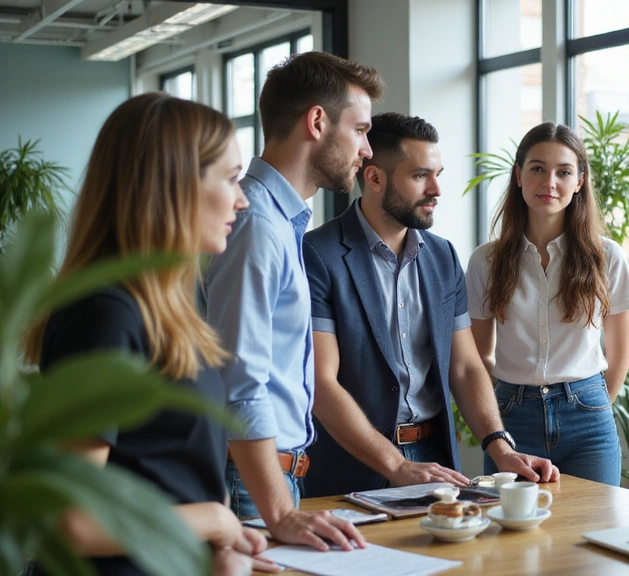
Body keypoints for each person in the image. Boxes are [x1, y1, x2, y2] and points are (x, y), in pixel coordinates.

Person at [23, 93, 271, 574]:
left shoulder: (161, 308)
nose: (242, 199)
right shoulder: (103, 315)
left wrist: (217, 548)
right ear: (174, 186)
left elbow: (165, 472)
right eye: (231, 179)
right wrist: (217, 522)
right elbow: (71, 520)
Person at [302, 113, 558, 497]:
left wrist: (501, 447)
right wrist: (397, 465)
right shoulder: (318, 255)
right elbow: (321, 383)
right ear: (374, 178)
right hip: (350, 465)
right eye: (421, 175)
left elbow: (467, 366)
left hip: (434, 459)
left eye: (438, 173)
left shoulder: (443, 257)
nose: (437, 189)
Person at [198, 51, 382, 551]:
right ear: (317, 121)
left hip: (270, 482)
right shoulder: (257, 224)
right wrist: (278, 510)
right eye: (361, 130)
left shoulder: (280, 222)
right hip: (252, 487)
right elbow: (241, 383)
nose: (367, 150)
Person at [466, 122, 629, 486]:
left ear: (579, 181)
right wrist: (497, 418)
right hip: (512, 417)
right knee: (512, 536)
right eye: (538, 169)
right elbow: (480, 357)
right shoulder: (485, 261)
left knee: (593, 533)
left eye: (564, 172)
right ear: (518, 176)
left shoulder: (607, 256)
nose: (549, 183)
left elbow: (620, 354)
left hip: (588, 418)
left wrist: (595, 405)